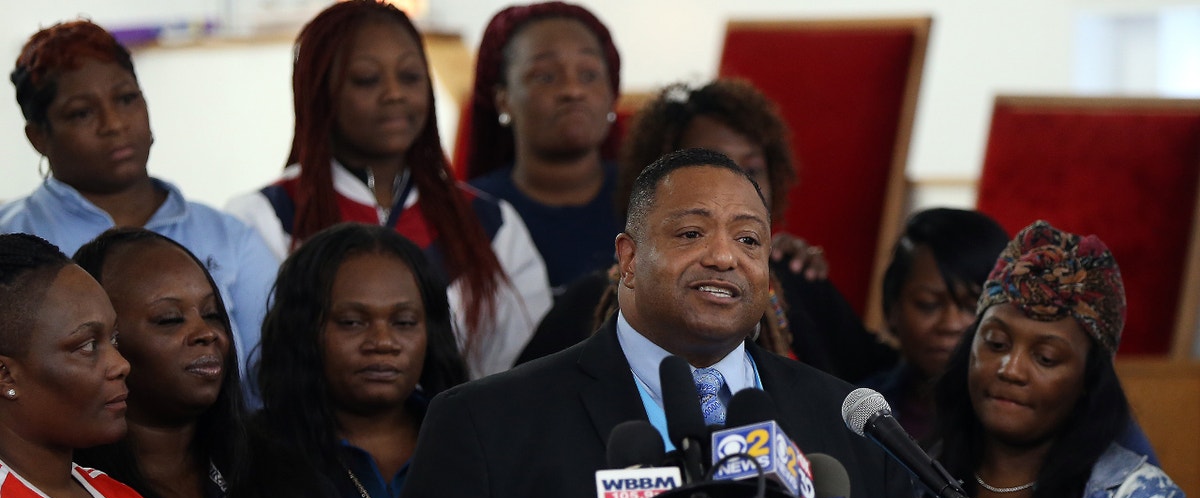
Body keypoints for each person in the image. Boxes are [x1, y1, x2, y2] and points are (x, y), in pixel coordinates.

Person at [338, 149, 939, 498]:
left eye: (749, 239)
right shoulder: (487, 426)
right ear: (627, 258)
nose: (724, 257)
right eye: (691, 234)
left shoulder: (852, 421)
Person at [71, 229, 366, 498]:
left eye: (212, 314)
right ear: (102, 343)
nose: (205, 333)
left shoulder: (285, 474)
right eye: (170, 319)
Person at [922, 221, 1199, 498]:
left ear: (1089, 383)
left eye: (1046, 358)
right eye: (995, 343)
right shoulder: (913, 474)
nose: (1010, 369)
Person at [225, 0, 549, 378]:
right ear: (319, 92)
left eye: (410, 77)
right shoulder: (263, 218)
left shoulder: (491, 223)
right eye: (366, 79)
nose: (394, 93)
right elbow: (258, 367)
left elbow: (527, 367)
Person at [519, 79, 893, 379]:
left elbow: (879, 386)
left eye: (752, 168)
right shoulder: (589, 303)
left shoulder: (799, 281)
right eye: (710, 164)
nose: (733, 184)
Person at [0, 233, 235, 498]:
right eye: (87, 346)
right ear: (5, 375)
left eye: (114, 340)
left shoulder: (118, 497)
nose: (119, 364)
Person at [0, 20, 275, 388]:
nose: (113, 124)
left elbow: (269, 382)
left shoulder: (230, 238)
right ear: (38, 137)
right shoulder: (11, 240)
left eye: (126, 99)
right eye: (82, 112)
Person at [255, 223, 468, 498]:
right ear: (303, 330)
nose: (383, 342)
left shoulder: (473, 442)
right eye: (352, 322)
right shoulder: (255, 458)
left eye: (404, 322)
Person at [460, 1, 624, 292]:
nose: (573, 91)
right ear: (503, 100)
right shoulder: (468, 214)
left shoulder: (653, 199)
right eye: (546, 76)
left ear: (612, 93)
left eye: (589, 75)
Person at [861, 207, 1010, 446]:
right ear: (892, 309)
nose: (950, 325)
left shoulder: (1020, 423)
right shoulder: (857, 409)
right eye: (928, 305)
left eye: (972, 307)